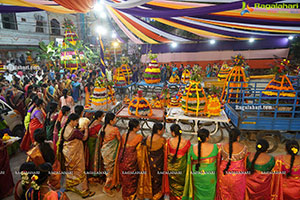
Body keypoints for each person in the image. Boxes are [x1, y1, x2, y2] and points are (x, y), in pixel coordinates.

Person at [58, 113, 95, 198]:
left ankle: (70, 186)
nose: (77, 123)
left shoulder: (65, 127)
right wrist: (86, 129)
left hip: (67, 152)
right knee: (79, 170)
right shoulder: (74, 131)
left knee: (70, 169)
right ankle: (83, 191)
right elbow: (84, 138)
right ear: (72, 121)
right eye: (76, 121)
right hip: (75, 154)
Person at [183, 128, 219, 200]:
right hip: (210, 176)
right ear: (207, 138)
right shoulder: (215, 147)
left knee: (197, 194)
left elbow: (189, 163)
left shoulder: (192, 148)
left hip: (197, 175)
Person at [94, 112, 122, 196]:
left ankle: (113, 183)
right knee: (111, 172)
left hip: (105, 151)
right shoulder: (115, 130)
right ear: (111, 120)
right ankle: (106, 188)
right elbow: (120, 140)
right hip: (111, 153)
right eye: (115, 119)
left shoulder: (103, 128)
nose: (116, 120)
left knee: (108, 170)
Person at [216, 128, 248, 200]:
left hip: (224, 174)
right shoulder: (244, 148)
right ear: (238, 137)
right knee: (237, 194)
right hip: (237, 176)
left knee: (224, 193)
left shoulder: (222, 147)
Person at [137, 123, 165, 200]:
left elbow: (140, 149)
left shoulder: (147, 139)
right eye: (163, 130)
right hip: (158, 165)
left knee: (151, 179)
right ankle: (157, 196)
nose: (164, 131)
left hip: (149, 163)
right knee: (158, 180)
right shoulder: (162, 140)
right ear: (159, 131)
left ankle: (149, 194)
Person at [164, 124, 191, 200]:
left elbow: (167, 155)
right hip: (182, 170)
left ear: (173, 133)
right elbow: (189, 158)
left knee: (172, 188)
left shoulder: (168, 142)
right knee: (182, 186)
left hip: (171, 170)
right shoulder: (187, 143)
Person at [119, 119, 143, 200]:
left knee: (125, 179)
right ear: (135, 128)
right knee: (132, 179)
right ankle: (131, 195)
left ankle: (125, 195)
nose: (139, 127)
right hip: (131, 162)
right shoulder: (139, 137)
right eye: (138, 126)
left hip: (122, 160)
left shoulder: (124, 135)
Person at [85, 111, 104, 182]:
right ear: (99, 117)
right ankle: (94, 174)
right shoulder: (98, 125)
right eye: (102, 116)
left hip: (90, 141)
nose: (103, 118)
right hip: (94, 142)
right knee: (94, 158)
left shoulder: (91, 122)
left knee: (90, 157)